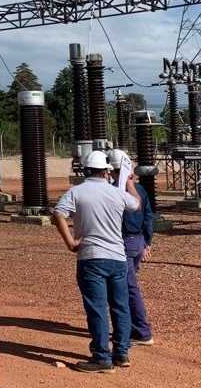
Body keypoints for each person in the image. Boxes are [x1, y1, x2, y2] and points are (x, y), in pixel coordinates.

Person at [51, 150, 141, 374]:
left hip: (91, 258)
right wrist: (129, 183)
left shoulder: (76, 192)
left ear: (84, 170)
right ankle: (121, 353)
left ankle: (102, 357)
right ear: (107, 171)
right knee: (120, 307)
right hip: (118, 258)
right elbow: (136, 205)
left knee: (97, 308)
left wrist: (71, 242)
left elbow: (58, 214)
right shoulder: (115, 193)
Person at [122, 171, 155, 347]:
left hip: (124, 242)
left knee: (128, 286)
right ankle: (130, 327)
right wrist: (147, 243)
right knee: (128, 284)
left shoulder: (115, 191)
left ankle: (142, 331)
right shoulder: (141, 190)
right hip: (138, 242)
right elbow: (148, 217)